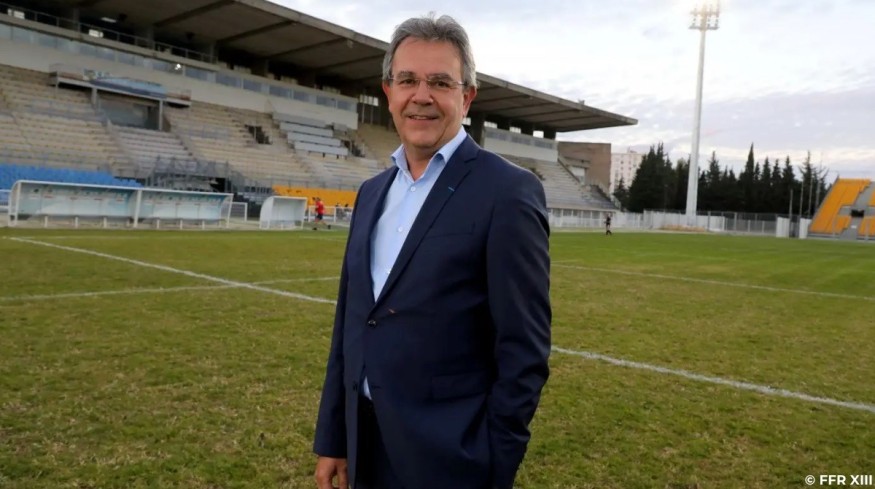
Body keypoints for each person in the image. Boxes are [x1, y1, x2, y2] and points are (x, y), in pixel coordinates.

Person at [313, 13, 551, 489]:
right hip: (364, 444)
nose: (421, 95)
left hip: (450, 459)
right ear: (389, 92)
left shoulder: (507, 191)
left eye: (440, 82)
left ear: (467, 97)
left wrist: (492, 464)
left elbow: (523, 349)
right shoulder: (371, 193)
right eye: (408, 80)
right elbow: (351, 324)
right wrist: (335, 436)